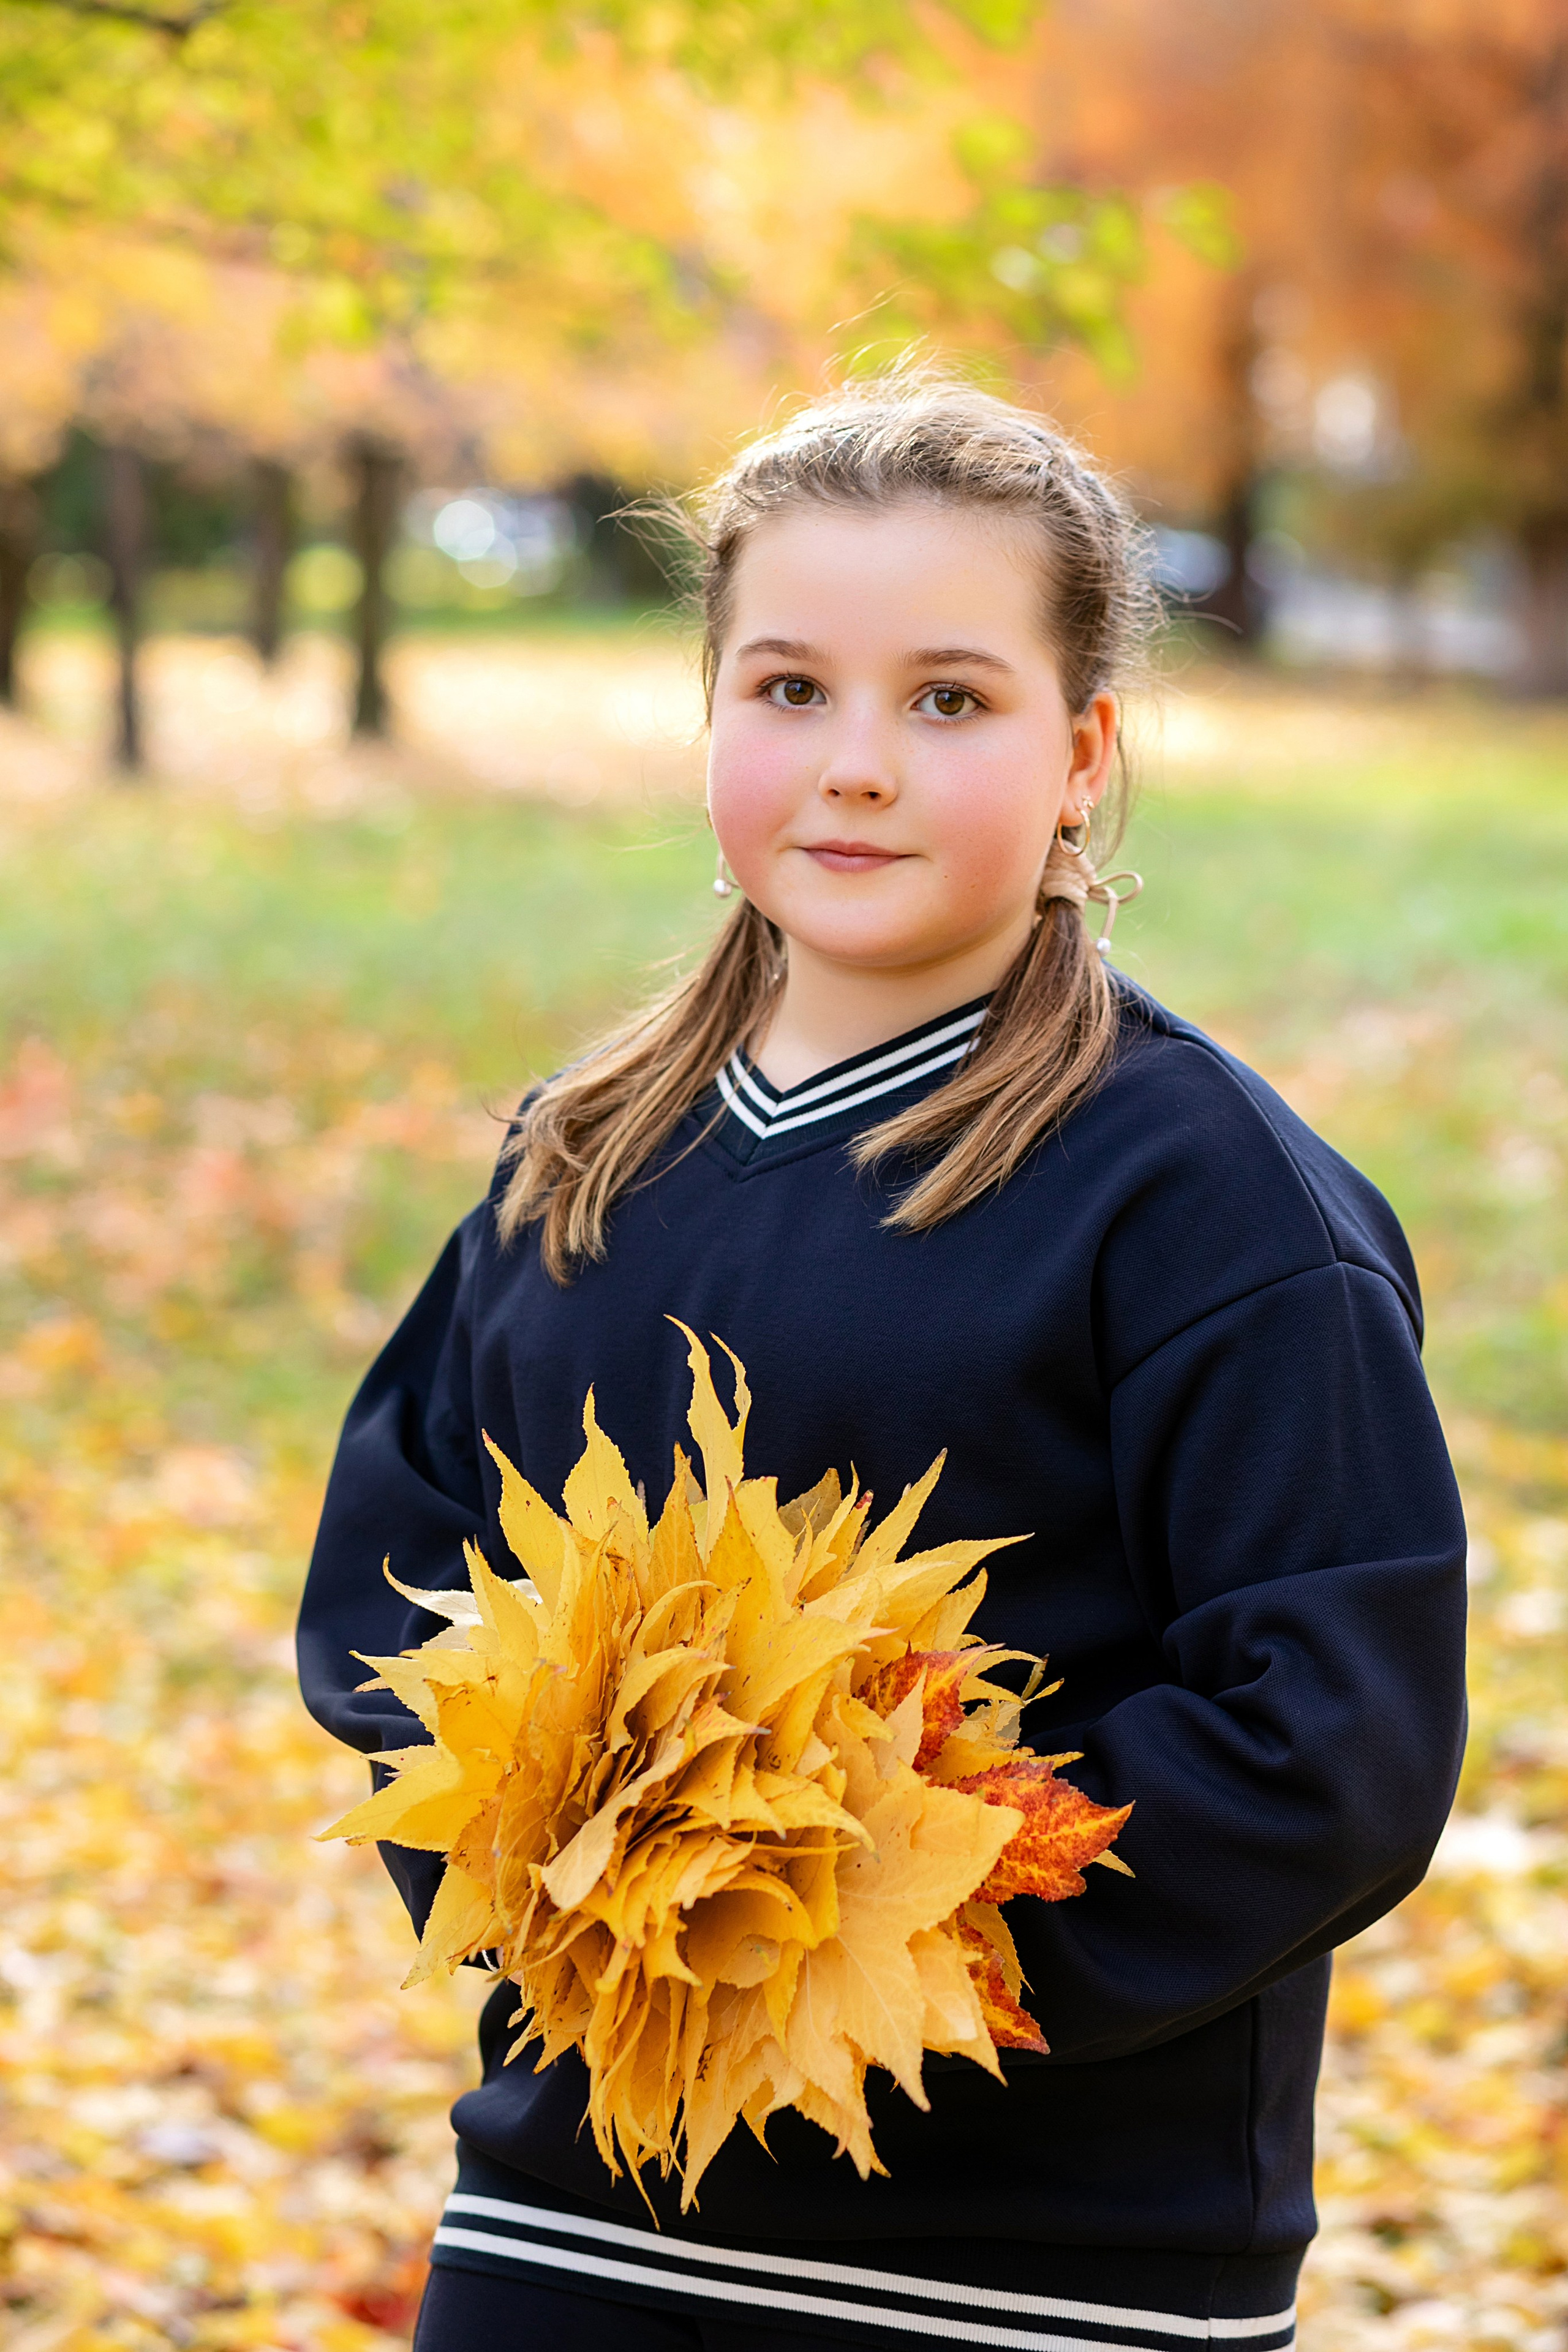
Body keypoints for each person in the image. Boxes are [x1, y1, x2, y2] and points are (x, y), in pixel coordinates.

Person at [297, 377, 1467, 2352]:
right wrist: (581, 1887)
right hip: (576, 2227)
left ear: (1083, 753)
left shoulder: (1209, 1204)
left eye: (948, 700)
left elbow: (1328, 1731)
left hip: (1048, 2272)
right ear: (708, 726)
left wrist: (868, 1917)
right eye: (786, 690)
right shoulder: (580, 1159)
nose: (855, 766)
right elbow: (397, 1591)